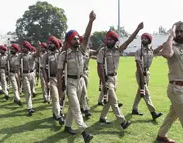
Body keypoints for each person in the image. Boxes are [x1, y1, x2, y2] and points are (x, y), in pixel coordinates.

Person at [156, 21, 183, 143]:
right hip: (177, 89)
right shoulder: (172, 47)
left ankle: (161, 136)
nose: (179, 34)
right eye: (177, 32)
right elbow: (165, 53)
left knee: (173, 114)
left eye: (181, 31)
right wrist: (171, 35)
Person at [57, 10, 96, 143]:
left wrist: (90, 21)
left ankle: (67, 126)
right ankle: (84, 131)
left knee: (73, 106)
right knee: (76, 107)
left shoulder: (82, 49)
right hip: (70, 82)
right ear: (69, 41)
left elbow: (86, 36)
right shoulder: (63, 55)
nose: (77, 39)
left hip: (80, 81)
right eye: (74, 38)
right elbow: (58, 73)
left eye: (77, 37)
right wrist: (60, 90)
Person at [96, 22, 143, 129]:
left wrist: (138, 29)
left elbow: (129, 40)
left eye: (110, 39)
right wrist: (103, 83)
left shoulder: (119, 50)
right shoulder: (102, 51)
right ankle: (122, 121)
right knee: (114, 100)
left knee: (110, 100)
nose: (108, 41)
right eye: (107, 39)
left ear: (115, 41)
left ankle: (102, 118)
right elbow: (99, 68)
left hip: (115, 78)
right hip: (106, 79)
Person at [131, 33, 163, 120]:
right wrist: (142, 77)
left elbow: (155, 51)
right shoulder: (139, 51)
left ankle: (134, 109)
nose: (143, 40)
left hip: (147, 73)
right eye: (142, 38)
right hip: (140, 73)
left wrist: (163, 45)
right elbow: (138, 65)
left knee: (140, 91)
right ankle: (153, 112)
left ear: (149, 40)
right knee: (146, 93)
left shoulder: (150, 50)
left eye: (145, 38)